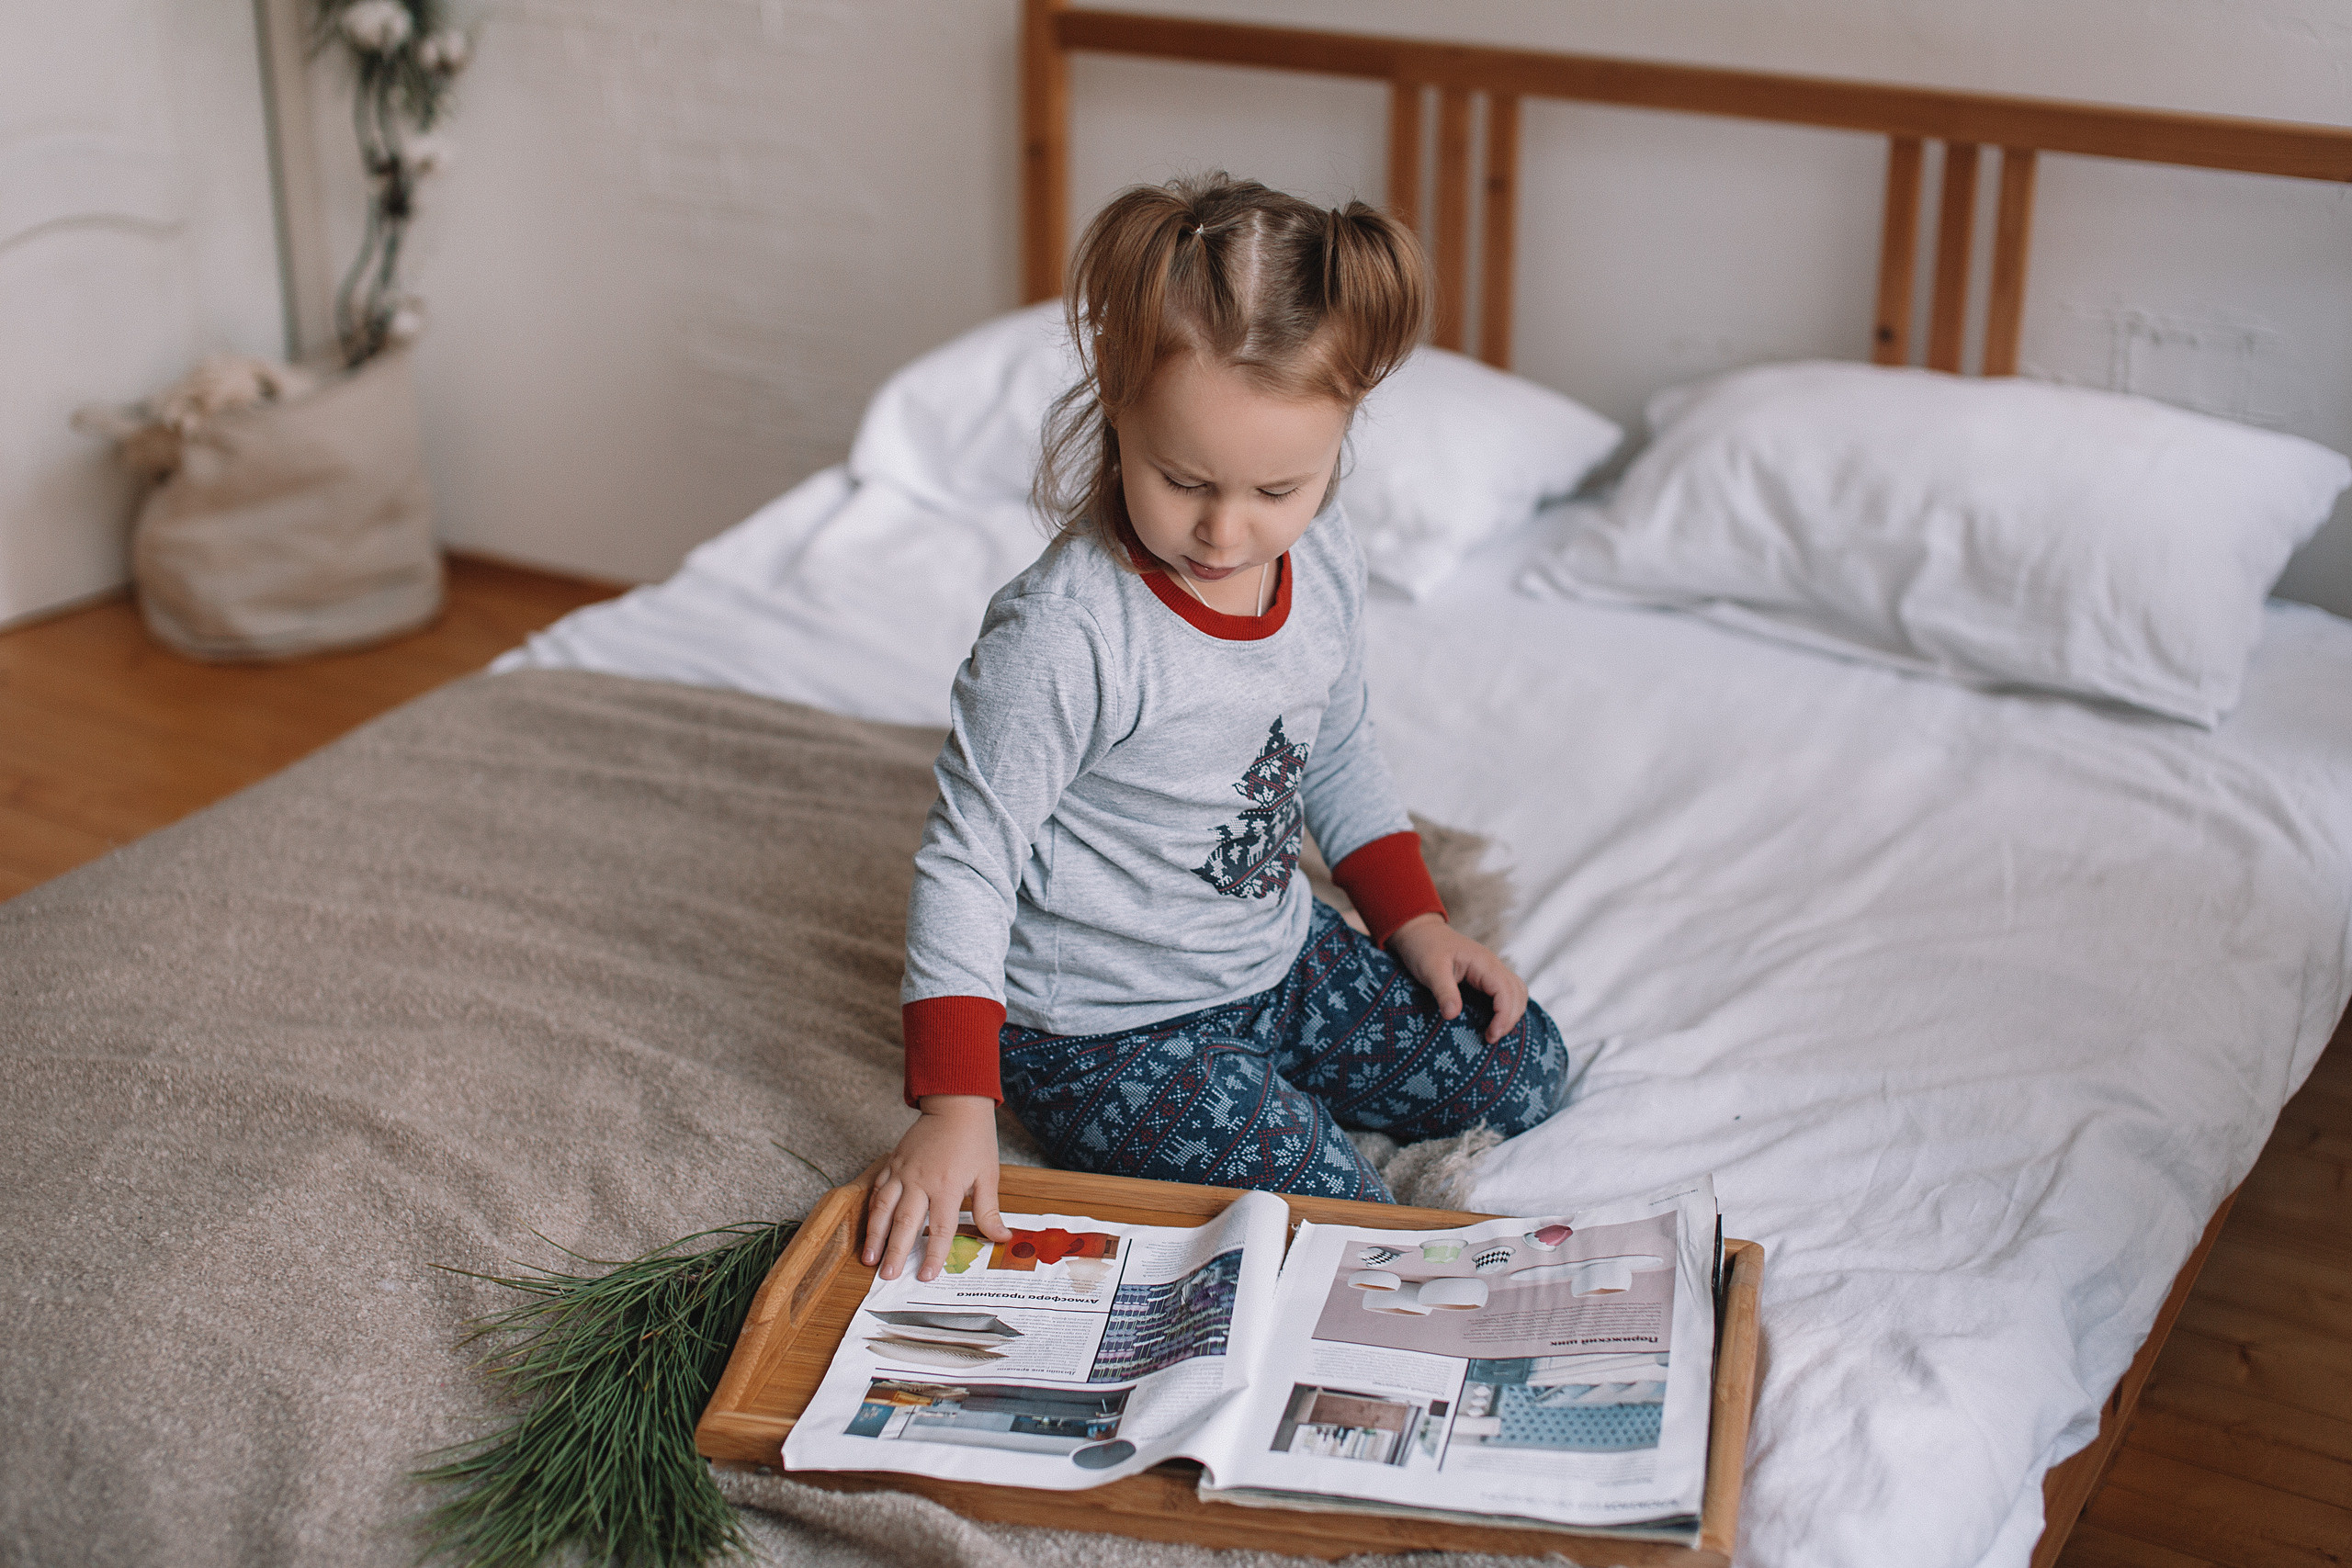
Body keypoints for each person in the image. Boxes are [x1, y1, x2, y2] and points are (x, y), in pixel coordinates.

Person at [865, 173, 1567, 1281]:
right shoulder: (1066, 634)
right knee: (1346, 1221)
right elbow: (969, 860)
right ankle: (1210, 1118)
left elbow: (1333, 749)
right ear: (1117, 402)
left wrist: (1417, 924)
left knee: (1521, 1067)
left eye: (1279, 487)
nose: (1226, 533)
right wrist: (956, 1105)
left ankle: (1276, 1082)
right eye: (1182, 478)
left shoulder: (1321, 556)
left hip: (1272, 956)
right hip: (1102, 1031)